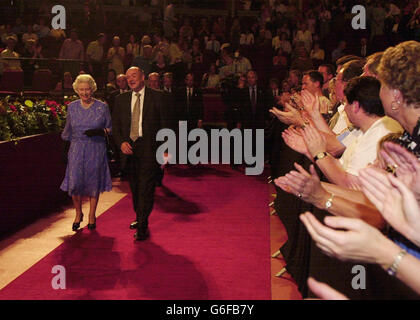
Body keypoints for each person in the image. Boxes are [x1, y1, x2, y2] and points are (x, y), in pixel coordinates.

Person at [112, 67, 168, 241]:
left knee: (146, 187)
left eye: (134, 76)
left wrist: (165, 151)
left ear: (143, 77)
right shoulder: (120, 99)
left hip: (150, 148)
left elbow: (166, 125)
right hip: (129, 149)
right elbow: (116, 126)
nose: (130, 79)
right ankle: (140, 215)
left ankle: (143, 224)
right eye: (128, 77)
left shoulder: (158, 96)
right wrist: (121, 142)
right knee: (135, 188)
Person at [60, 74, 112, 231]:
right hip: (76, 148)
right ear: (76, 90)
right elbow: (67, 129)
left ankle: (91, 216)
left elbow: (110, 128)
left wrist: (100, 131)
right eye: (81, 90)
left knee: (92, 183)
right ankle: (78, 213)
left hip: (95, 148)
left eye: (87, 89)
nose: (85, 93)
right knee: (75, 183)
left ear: (92, 89)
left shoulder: (102, 107)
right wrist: (65, 148)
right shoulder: (72, 107)